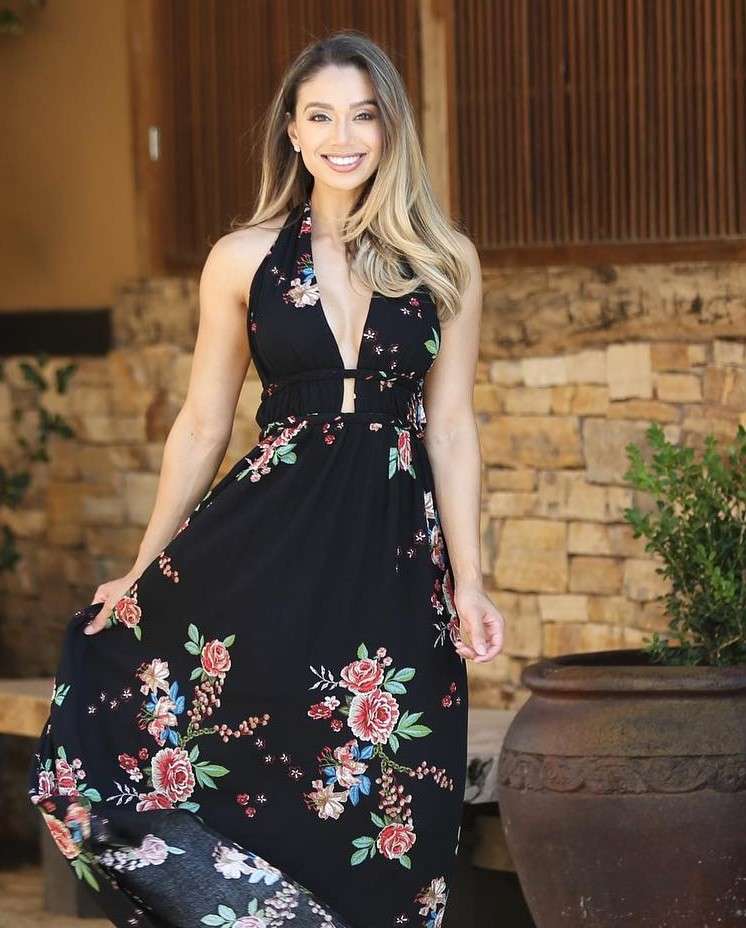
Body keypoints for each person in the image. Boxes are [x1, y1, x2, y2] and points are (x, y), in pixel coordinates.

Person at [27, 29, 504, 928]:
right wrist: (142, 566)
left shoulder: (446, 261)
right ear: (292, 130)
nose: (343, 136)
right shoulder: (241, 259)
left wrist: (471, 581)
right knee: (262, 762)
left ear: (391, 127)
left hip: (398, 560)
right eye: (320, 115)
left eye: (363, 115)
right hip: (269, 546)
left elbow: (451, 426)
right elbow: (204, 422)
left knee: (397, 795)